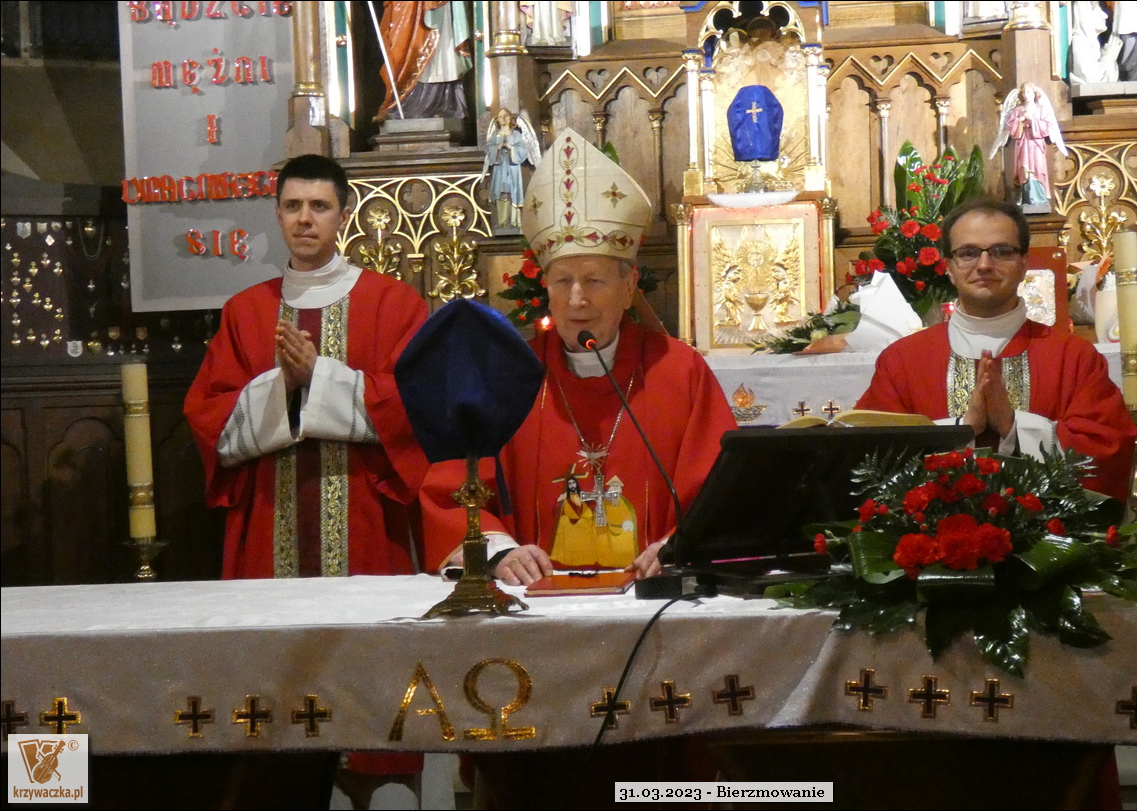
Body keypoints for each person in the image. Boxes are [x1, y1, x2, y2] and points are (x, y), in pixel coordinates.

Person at [423, 128, 737, 584]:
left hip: (651, 594)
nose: (576, 299)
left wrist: (679, 546)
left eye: (593, 280)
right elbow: (454, 486)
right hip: (533, 598)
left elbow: (720, 489)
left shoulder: (678, 371)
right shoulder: (509, 376)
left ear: (629, 287)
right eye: (562, 281)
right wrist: (499, 552)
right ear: (546, 290)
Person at [185, 154, 430, 580]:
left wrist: (319, 377)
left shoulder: (394, 304)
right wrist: (282, 385)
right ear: (277, 215)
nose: (304, 219)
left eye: (319, 206)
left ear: (344, 216)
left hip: (366, 519)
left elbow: (417, 408)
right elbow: (210, 421)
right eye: (293, 206)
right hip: (268, 518)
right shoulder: (245, 311)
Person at [855, 198, 1135, 500]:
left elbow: (1108, 451)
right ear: (949, 267)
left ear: (1024, 263)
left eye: (1001, 251)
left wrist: (1013, 425)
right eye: (968, 252)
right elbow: (870, 457)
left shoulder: (1074, 357)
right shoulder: (902, 361)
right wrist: (963, 428)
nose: (985, 265)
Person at [373, 0, 472, 121]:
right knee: (400, 48)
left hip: (435, 6)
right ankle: (397, 105)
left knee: (439, 51)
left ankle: (442, 104)